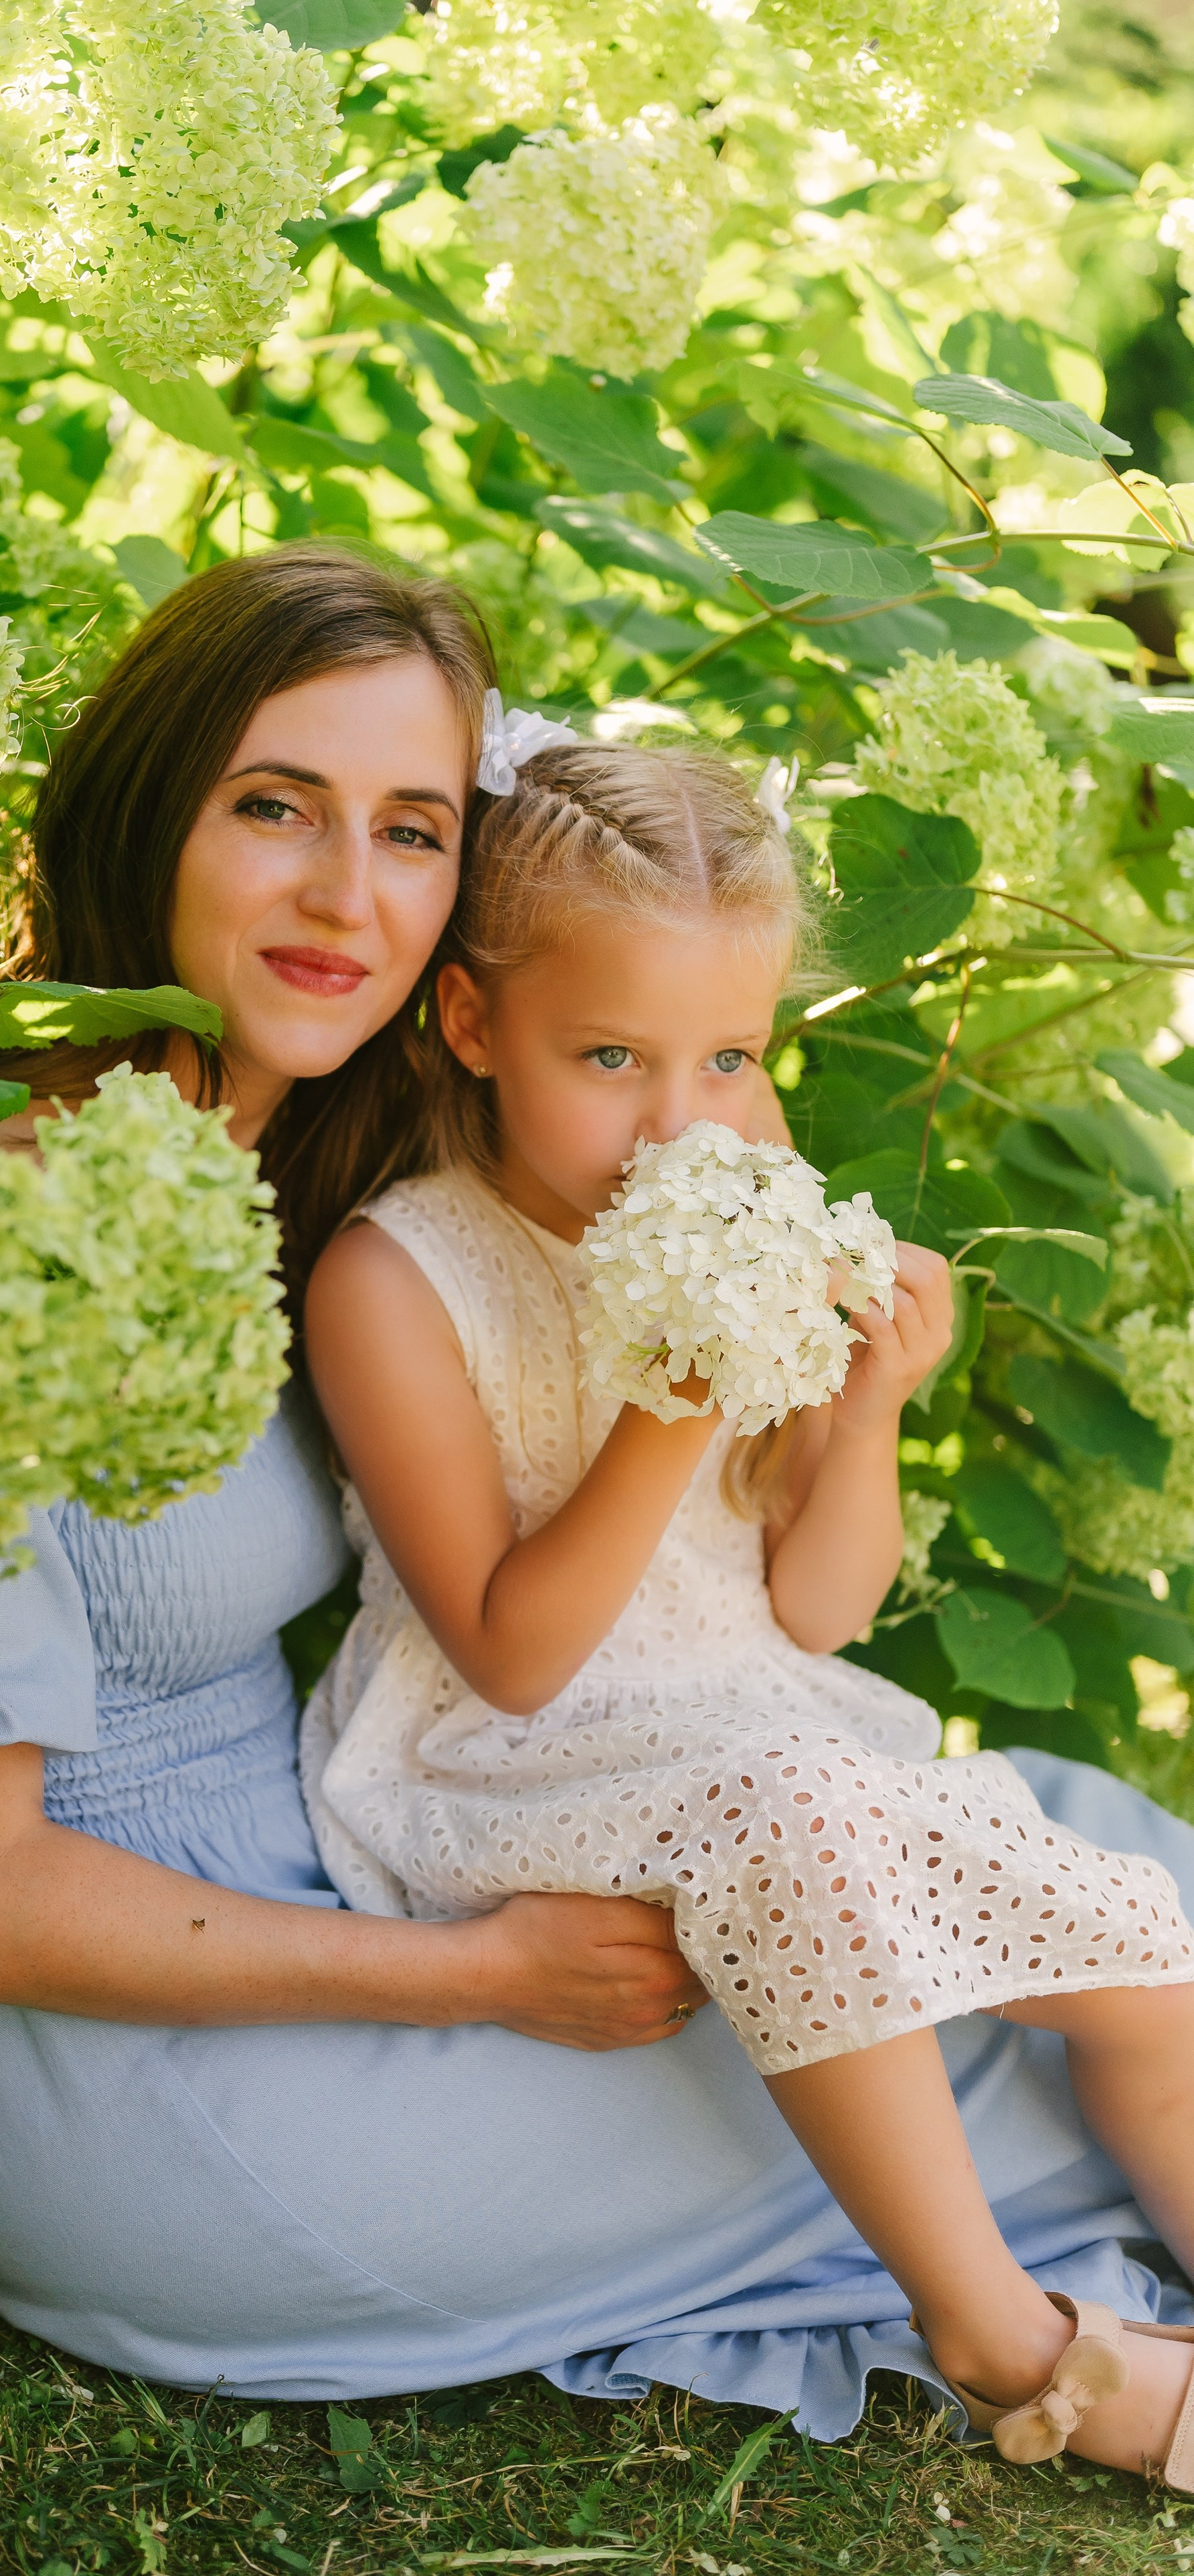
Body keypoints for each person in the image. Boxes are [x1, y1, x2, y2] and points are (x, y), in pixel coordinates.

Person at [0, 548, 1194, 2440]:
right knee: (998, 2018)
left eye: (412, 830)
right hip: (160, 2095)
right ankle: (1044, 2361)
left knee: (1086, 1863)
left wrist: (780, 1276)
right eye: (275, 807)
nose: (351, 893)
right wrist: (471, 1971)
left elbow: (641, 1064)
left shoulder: (291, 1173)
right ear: (144, 812)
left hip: (356, 1905)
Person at [301, 729, 1194, 2480]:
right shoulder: (395, 1278)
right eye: (610, 1056)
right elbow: (513, 1654)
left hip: (760, 1719)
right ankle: (1009, 2344)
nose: (681, 1123)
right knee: (798, 1813)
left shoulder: (741, 1181)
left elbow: (823, 1610)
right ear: (472, 1024)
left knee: (1144, 1943)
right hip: (501, 1761)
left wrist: (864, 1409)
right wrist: (676, 1395)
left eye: (729, 1057)